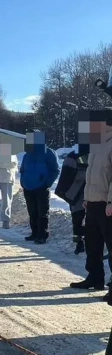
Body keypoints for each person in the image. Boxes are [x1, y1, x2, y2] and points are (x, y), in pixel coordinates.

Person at [71, 122, 112, 299]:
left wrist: (111, 201)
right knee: (92, 245)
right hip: (93, 203)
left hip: (107, 204)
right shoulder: (96, 144)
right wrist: (87, 198)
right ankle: (95, 278)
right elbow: (90, 174)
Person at [18, 131, 60, 244]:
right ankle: (35, 233)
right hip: (28, 188)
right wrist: (23, 182)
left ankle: (42, 235)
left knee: (42, 212)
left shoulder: (49, 152)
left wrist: (47, 184)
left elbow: (55, 170)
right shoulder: (27, 154)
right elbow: (22, 169)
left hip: (42, 188)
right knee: (32, 211)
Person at [54, 147, 88, 254]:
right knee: (78, 220)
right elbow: (66, 176)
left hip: (82, 194)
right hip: (77, 194)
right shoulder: (74, 156)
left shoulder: (73, 155)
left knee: (79, 221)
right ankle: (79, 243)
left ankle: (82, 242)